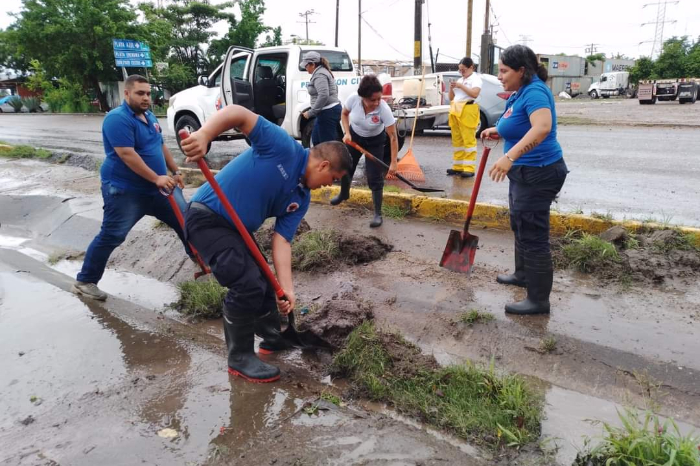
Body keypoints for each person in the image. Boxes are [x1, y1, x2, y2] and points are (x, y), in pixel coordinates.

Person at [181, 104, 352, 383]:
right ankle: (239, 358)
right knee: (246, 283)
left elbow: (282, 240)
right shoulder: (283, 146)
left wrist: (286, 289)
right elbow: (238, 113)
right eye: (331, 179)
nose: (327, 186)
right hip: (207, 219)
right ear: (323, 165)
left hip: (237, 231)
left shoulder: (302, 198)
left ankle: (272, 338)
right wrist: (204, 135)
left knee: (264, 280)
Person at [72, 74, 190, 301]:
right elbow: (127, 154)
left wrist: (175, 171)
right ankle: (85, 281)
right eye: (140, 93)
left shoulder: (150, 117)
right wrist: (157, 178)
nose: (146, 98)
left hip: (158, 188)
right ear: (126, 93)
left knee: (186, 221)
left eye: (148, 93)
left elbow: (160, 145)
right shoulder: (117, 119)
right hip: (126, 191)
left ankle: (199, 259)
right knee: (112, 235)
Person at [482, 45, 568, 316]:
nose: (500, 75)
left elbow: (541, 127)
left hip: (540, 172)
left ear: (522, 70)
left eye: (505, 70)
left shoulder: (535, 91)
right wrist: (497, 129)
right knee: (519, 223)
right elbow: (517, 122)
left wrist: (510, 156)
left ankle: (538, 300)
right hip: (523, 172)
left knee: (533, 235)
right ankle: (522, 274)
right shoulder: (521, 92)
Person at [332, 75, 399, 228]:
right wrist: (347, 133)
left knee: (374, 177)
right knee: (346, 167)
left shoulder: (384, 109)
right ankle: (344, 193)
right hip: (355, 137)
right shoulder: (353, 100)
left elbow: (393, 136)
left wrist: (394, 163)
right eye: (372, 100)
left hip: (375, 141)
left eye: (379, 99)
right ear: (362, 97)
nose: (376, 103)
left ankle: (377, 214)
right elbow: (344, 114)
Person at [447, 57, 482, 178]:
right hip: (456, 109)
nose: (461, 72)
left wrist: (460, 86)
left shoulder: (475, 79)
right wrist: (452, 88)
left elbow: (474, 94)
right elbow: (451, 97)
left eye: (463, 70)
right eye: (460, 70)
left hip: (468, 109)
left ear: (471, 67)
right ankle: (457, 166)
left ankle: (469, 168)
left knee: (468, 140)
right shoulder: (460, 79)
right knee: (457, 140)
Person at [301, 51, 341, 145]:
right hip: (324, 112)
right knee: (316, 141)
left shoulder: (320, 74)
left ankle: (331, 160)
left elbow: (323, 95)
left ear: (313, 64)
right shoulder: (321, 72)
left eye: (306, 65)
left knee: (326, 146)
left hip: (327, 112)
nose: (305, 68)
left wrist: (311, 112)